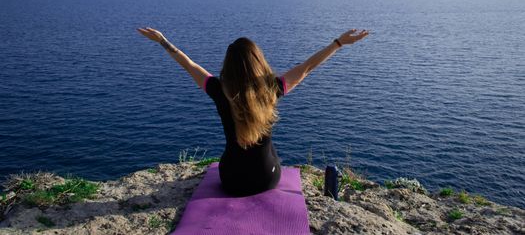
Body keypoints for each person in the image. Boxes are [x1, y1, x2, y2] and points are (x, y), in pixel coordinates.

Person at [137, 27, 369, 196]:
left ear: (228, 66)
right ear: (258, 62)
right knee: (272, 152)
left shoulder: (218, 90)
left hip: (231, 181)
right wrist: (338, 43)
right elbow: (307, 68)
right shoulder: (271, 90)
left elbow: (189, 64)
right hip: (267, 178)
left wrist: (162, 41)